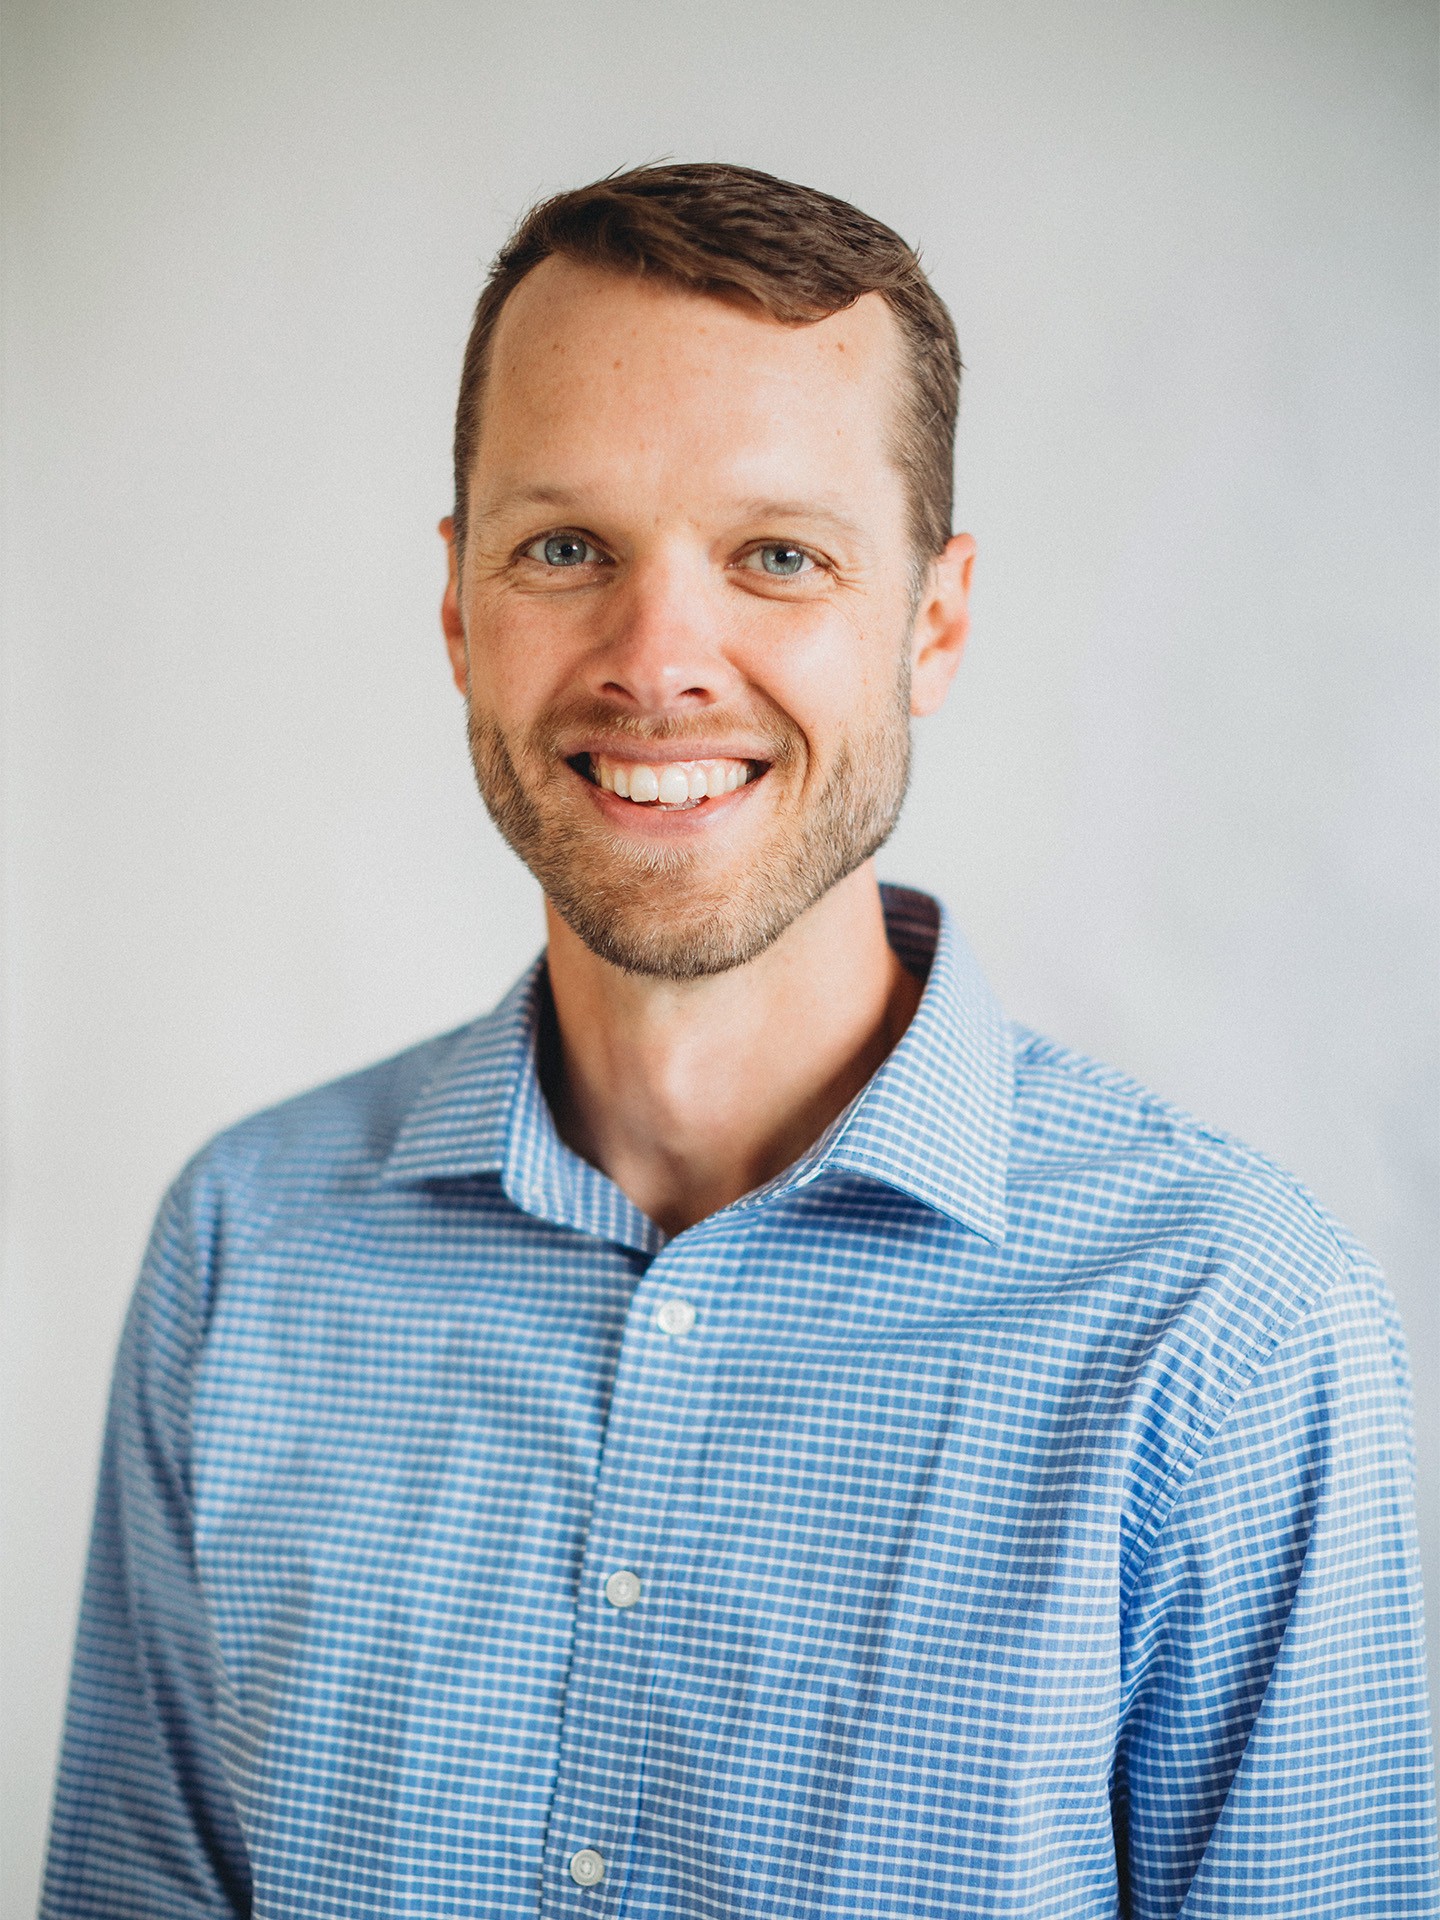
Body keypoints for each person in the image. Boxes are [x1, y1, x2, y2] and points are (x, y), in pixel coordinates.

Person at [41, 163, 1437, 1919]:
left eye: (780, 556)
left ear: (933, 621)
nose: (659, 661)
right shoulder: (245, 1246)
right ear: (461, 607)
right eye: (567, 549)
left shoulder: (1230, 1329)